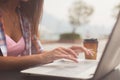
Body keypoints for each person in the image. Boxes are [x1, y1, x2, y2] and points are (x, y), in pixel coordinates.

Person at [0, 0, 92, 71]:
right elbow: (40, 57)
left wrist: (63, 53)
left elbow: (37, 52)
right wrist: (41, 58)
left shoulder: (24, 18)